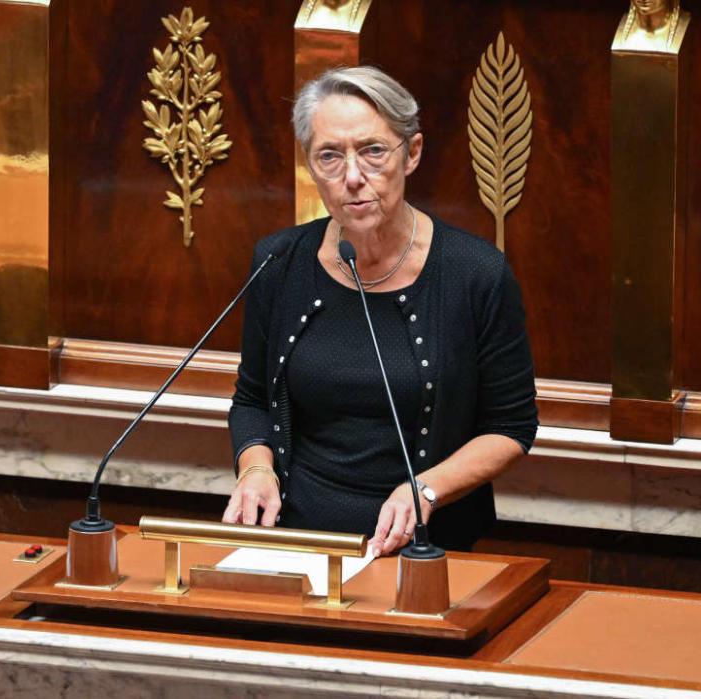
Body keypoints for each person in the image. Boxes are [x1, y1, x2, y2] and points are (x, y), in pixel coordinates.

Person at [224, 66, 538, 556]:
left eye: (372, 151)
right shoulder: (279, 262)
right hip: (296, 539)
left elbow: (511, 426)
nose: (352, 177)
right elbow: (252, 400)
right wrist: (257, 469)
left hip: (428, 547)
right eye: (329, 156)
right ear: (310, 165)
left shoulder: (476, 273)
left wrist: (427, 489)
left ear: (411, 154)